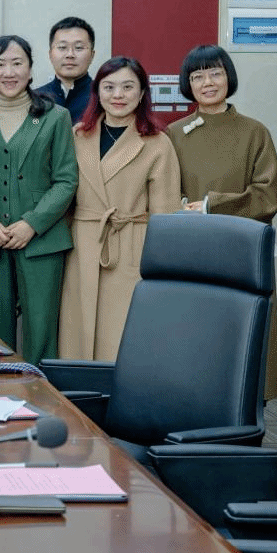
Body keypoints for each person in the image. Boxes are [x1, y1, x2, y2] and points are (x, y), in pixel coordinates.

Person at [167, 44, 277, 399]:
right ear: (188, 84)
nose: (208, 83)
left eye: (215, 73)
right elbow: (161, 191)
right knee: (197, 337)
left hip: (243, 249)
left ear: (228, 77)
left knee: (246, 335)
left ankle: (251, 417)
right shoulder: (172, 134)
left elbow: (267, 195)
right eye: (197, 76)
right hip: (192, 251)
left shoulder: (255, 132)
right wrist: (181, 208)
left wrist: (210, 206)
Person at [58, 56, 181, 361]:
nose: (118, 95)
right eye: (109, 87)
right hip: (83, 246)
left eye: (128, 87)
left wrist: (160, 268)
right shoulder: (77, 136)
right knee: (78, 334)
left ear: (142, 93)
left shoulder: (157, 143)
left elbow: (166, 216)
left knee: (121, 337)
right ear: (97, 92)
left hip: (131, 247)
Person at [0, 35, 77, 365]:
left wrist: (32, 223)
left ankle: (41, 393)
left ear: (31, 69)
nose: (9, 72)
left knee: (41, 330)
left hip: (42, 241)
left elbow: (66, 180)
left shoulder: (55, 117)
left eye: (17, 63)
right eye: (0, 64)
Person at [35, 17, 96, 123]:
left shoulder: (103, 97)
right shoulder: (34, 99)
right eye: (62, 47)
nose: (70, 54)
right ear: (50, 54)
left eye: (79, 48)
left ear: (92, 55)